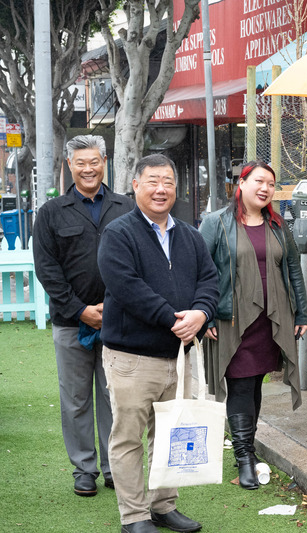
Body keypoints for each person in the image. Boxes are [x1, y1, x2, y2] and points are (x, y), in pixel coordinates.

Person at [98, 154, 219, 533]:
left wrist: (200, 313)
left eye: (167, 181)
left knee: (173, 433)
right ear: (135, 185)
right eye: (152, 181)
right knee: (129, 437)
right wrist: (174, 320)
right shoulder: (118, 234)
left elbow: (210, 280)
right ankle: (134, 516)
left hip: (179, 357)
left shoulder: (190, 234)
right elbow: (127, 287)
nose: (161, 189)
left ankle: (164, 506)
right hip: (132, 357)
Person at [33, 135, 134, 497]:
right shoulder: (51, 213)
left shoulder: (127, 207)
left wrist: (113, 306)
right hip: (70, 323)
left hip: (120, 321)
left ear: (104, 162)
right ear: (69, 165)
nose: (88, 168)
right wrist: (80, 310)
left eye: (94, 161)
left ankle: (113, 467)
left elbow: (136, 262)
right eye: (80, 162)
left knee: (115, 396)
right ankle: (84, 469)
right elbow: (47, 269)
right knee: (75, 399)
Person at [199, 161, 307, 490]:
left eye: (271, 184)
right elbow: (200, 271)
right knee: (241, 385)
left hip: (269, 319)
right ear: (241, 183)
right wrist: (203, 313)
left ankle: (246, 449)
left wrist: (302, 314)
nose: (265, 188)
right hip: (231, 319)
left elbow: (293, 271)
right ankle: (245, 458)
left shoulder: (277, 225)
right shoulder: (216, 223)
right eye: (259, 181)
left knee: (255, 383)